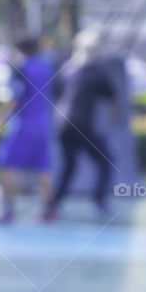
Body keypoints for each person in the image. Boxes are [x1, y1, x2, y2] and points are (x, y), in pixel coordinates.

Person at [44, 56, 120, 221]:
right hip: (81, 125)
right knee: (105, 162)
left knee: (69, 166)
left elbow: (57, 94)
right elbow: (113, 97)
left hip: (64, 124)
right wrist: (115, 114)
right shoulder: (95, 71)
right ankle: (99, 201)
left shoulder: (67, 70)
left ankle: (55, 203)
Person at [0, 37, 55, 224]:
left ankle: (8, 210)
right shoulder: (48, 68)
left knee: (6, 165)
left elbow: (15, 98)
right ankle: (49, 210)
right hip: (43, 125)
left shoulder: (21, 69)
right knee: (44, 169)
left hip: (22, 126)